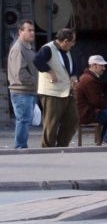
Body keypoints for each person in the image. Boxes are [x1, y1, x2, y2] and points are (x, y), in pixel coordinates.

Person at [34, 28, 80, 148]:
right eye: (72, 42)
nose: (74, 44)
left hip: (66, 91)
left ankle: (62, 146)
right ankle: (47, 149)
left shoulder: (67, 50)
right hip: (52, 92)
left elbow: (71, 65)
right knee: (51, 124)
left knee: (72, 120)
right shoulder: (48, 49)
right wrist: (49, 71)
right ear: (65, 41)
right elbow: (37, 60)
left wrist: (74, 76)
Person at [75, 55, 107, 145]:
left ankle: (103, 140)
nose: (104, 68)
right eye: (102, 66)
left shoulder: (87, 77)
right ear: (94, 66)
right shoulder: (89, 80)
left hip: (86, 112)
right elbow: (96, 101)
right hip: (87, 113)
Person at [7, 20, 38, 149]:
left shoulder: (27, 48)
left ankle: (21, 146)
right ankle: (20, 147)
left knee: (25, 120)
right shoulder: (18, 48)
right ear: (20, 32)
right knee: (23, 120)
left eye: (33, 30)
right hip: (21, 91)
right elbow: (20, 73)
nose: (32, 33)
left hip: (28, 90)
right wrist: (37, 82)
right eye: (29, 30)